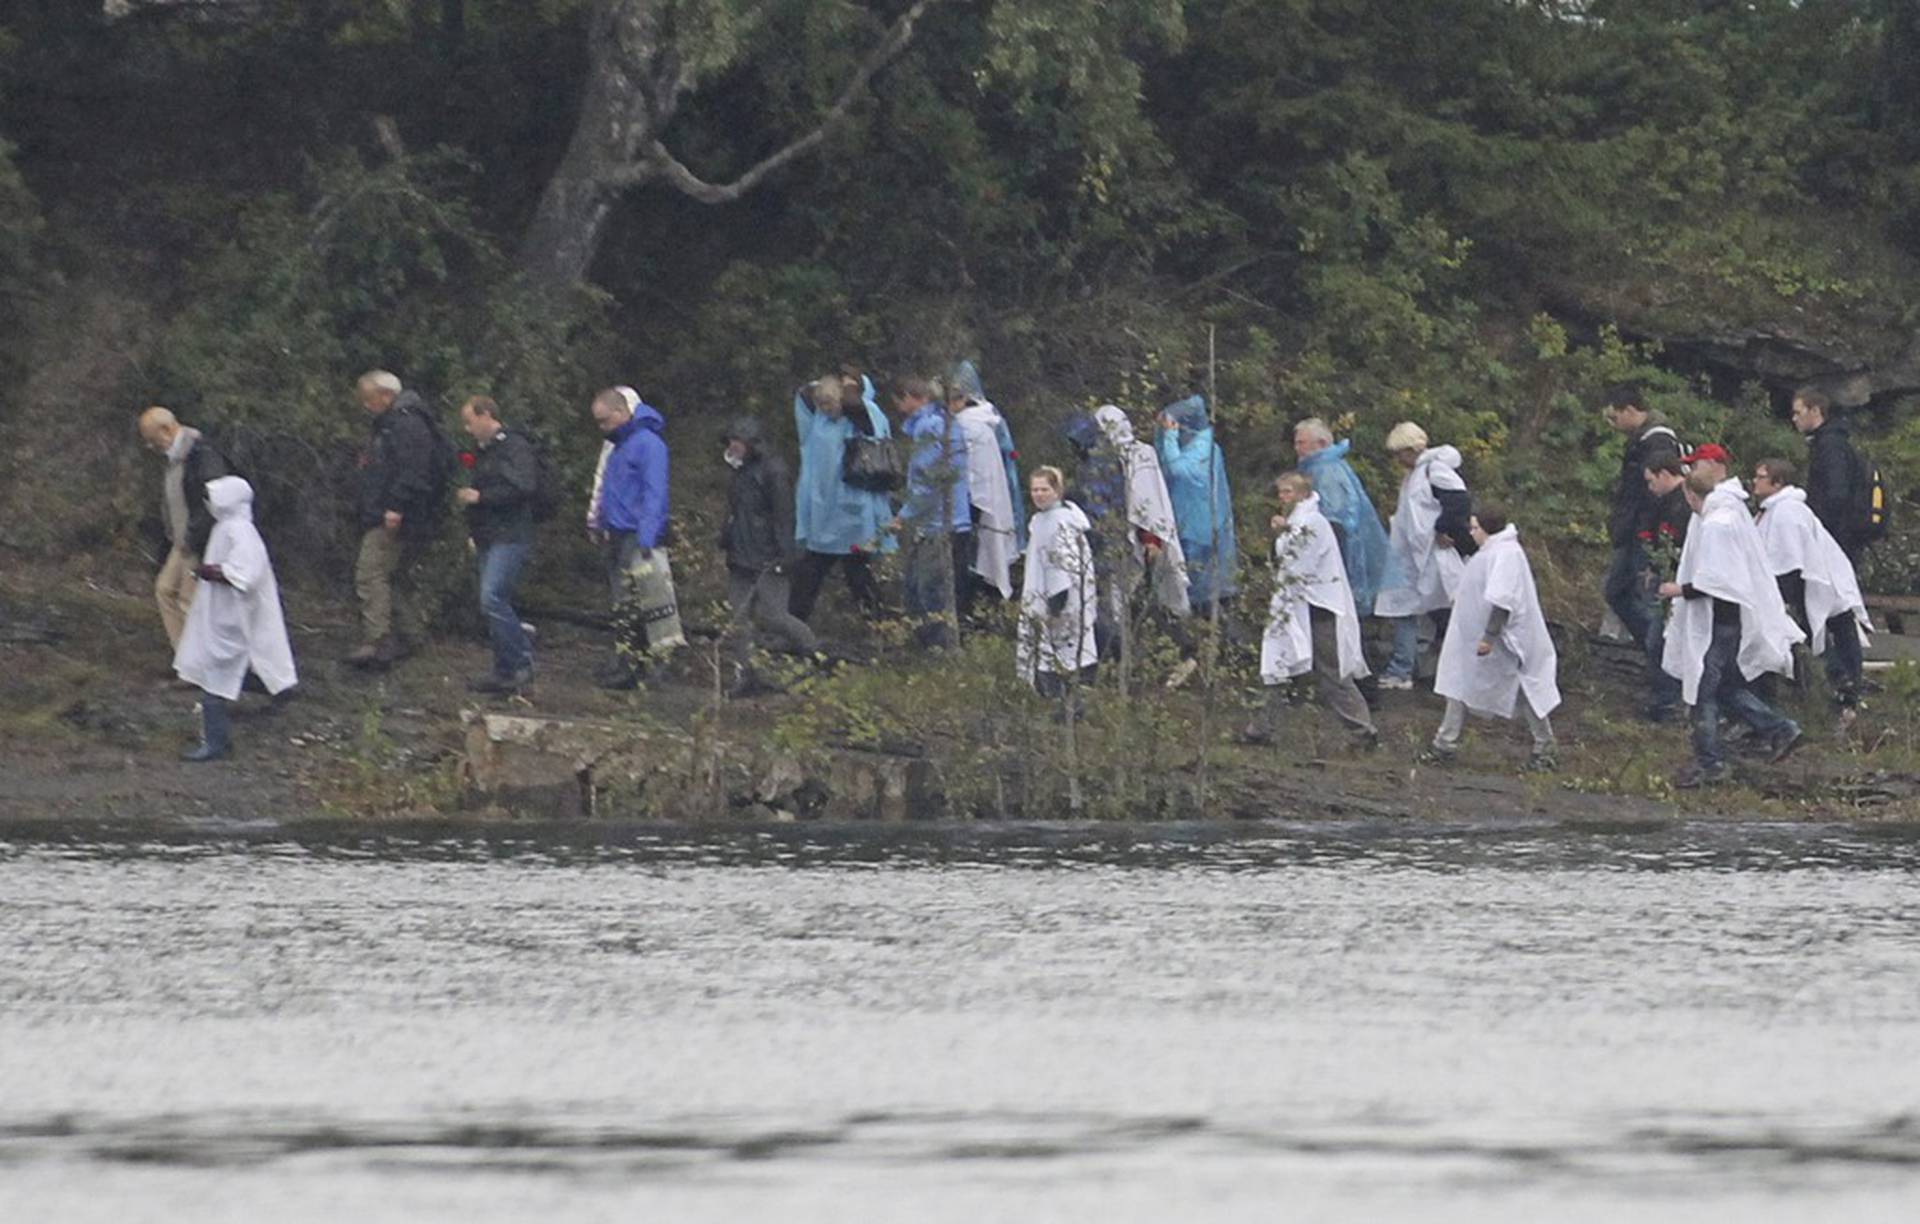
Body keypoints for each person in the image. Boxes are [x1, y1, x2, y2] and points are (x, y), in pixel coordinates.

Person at [1659, 466, 1805, 788]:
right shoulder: (1731, 514)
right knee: (1723, 688)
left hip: (1718, 622)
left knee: (1703, 693)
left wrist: (1679, 590)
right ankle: (1780, 728)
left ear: (1690, 494)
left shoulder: (1716, 525)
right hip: (1729, 620)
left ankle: (1710, 762)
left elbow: (1717, 581)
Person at [1421, 503, 1559, 772]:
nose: (1471, 533)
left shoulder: (1506, 554)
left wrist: (1489, 636)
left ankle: (1545, 747)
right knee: (1458, 684)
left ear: (1486, 529)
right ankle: (1444, 743)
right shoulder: (1493, 551)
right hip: (1471, 639)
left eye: (1474, 528)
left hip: (1503, 641)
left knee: (1524, 689)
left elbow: (1502, 599)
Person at [1247, 471, 1377, 751]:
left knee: (1331, 672)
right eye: (1281, 493)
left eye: (1289, 492)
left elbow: (1297, 564)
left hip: (1317, 607)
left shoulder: (1313, 523)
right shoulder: (1297, 523)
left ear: (1303, 494)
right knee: (1279, 665)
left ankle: (1362, 729)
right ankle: (1261, 728)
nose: (1283, 498)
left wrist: (1284, 535)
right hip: (1299, 605)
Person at [172, 476, 297, 761]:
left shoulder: (241, 531)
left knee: (217, 676)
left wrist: (215, 572)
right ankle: (274, 688)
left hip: (234, 615)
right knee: (222, 671)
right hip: (222, 611)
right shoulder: (225, 528)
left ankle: (217, 742)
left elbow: (246, 573)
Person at [1752, 456, 1871, 718]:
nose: (1754, 482)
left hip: (1817, 583)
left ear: (1778, 481)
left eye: (1760, 476)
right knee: (1824, 637)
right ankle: (1840, 691)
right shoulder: (1773, 510)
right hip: (1811, 585)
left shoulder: (1787, 512)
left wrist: (1782, 596)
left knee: (1823, 636)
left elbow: (1791, 559)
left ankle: (1846, 691)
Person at [589, 384, 685, 687]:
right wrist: (601, 522)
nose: (601, 428)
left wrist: (647, 537)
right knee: (623, 604)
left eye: (605, 420)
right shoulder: (620, 445)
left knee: (652, 601)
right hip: (616, 533)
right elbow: (611, 489)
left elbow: (654, 494)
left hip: (637, 535)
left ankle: (659, 665)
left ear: (620, 413)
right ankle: (628, 662)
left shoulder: (648, 444)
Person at [348, 370, 444, 670]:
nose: (366, 406)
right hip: (391, 511)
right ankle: (410, 635)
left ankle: (378, 640)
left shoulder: (406, 423)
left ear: (386, 395)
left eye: (369, 399)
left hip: (394, 514)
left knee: (370, 572)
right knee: (392, 576)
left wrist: (395, 506)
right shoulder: (394, 423)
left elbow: (413, 470)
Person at [719, 416, 819, 696]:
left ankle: (815, 656)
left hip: (768, 556)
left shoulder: (774, 472)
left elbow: (784, 517)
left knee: (775, 616)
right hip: (740, 554)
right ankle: (745, 675)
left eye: (738, 442)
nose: (733, 447)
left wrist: (785, 556)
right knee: (738, 618)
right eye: (731, 442)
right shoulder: (738, 471)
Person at [789, 371, 893, 621]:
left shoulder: (864, 415)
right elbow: (804, 393)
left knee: (854, 570)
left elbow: (870, 425)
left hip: (853, 512)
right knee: (812, 570)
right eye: (821, 405)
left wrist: (849, 389)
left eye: (830, 404)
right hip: (825, 511)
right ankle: (794, 624)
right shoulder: (817, 421)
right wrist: (826, 386)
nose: (825, 410)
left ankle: (878, 624)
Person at [1374, 422, 1469, 689]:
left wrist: (1442, 528)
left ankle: (1411, 668)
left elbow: (1459, 501)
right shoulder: (1416, 474)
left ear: (1411, 449)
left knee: (1439, 609)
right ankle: (1407, 667)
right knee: (1415, 609)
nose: (1398, 459)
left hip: (1431, 555)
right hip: (1413, 556)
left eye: (1400, 453)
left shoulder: (1434, 470)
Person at [453, 396, 538, 694]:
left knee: (492, 598)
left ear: (486, 415)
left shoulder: (514, 446)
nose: (467, 429)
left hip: (510, 534)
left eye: (470, 421)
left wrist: (481, 497)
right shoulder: (482, 452)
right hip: (488, 535)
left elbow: (524, 486)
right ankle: (504, 668)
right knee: (489, 602)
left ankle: (521, 661)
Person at [137, 406, 232, 654]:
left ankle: (199, 664)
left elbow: (213, 502)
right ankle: (184, 658)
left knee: (188, 602)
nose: (150, 447)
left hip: (197, 542)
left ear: (166, 430)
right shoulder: (174, 458)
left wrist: (193, 538)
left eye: (152, 440)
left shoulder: (201, 455)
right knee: (165, 590)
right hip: (181, 542)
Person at [1601, 383, 1684, 660]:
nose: (1613, 424)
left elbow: (1652, 492)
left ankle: (1660, 652)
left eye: (1615, 417)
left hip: (1643, 531)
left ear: (1630, 410)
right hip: (1632, 527)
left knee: (1643, 595)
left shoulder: (1657, 442)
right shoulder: (1640, 439)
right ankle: (1652, 648)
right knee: (1616, 591)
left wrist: (1646, 530)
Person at [892, 377, 973, 648]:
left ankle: (938, 650)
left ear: (914, 398)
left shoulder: (929, 428)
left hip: (939, 524)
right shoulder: (943, 423)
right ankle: (929, 646)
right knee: (924, 588)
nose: (900, 407)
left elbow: (928, 482)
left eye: (901, 400)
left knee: (928, 592)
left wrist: (905, 514)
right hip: (949, 521)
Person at [1293, 417, 1391, 617]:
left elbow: (1336, 517)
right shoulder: (1329, 466)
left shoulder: (1325, 470)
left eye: (1301, 443)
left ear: (1321, 444)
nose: (1297, 448)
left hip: (1333, 555)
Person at [1017, 466, 1098, 708]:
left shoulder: (1062, 523)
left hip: (1060, 606)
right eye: (1034, 490)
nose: (1039, 494)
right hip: (1044, 600)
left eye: (1044, 489)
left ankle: (1068, 710)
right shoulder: (1041, 521)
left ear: (1057, 490)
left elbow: (1061, 569)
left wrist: (1055, 607)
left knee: (1061, 658)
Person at [1156, 394, 1238, 615]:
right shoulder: (1192, 447)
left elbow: (1179, 471)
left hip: (1201, 533)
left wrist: (1170, 437)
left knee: (1206, 598)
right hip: (1188, 526)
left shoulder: (1205, 449)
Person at [950, 381, 1019, 614]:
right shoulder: (984, 423)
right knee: (986, 554)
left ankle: (971, 610)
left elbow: (970, 473)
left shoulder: (967, 426)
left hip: (971, 504)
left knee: (970, 558)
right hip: (984, 500)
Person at [1635, 455, 1691, 720]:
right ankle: (1667, 698)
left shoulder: (1682, 505)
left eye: (1651, 481)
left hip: (1677, 583)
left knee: (1659, 640)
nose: (1649, 488)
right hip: (1668, 578)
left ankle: (1669, 701)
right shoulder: (1668, 502)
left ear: (1664, 475)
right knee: (1657, 638)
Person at [1792, 388, 1873, 565]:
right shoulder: (1826, 442)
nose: (1794, 418)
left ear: (1815, 411)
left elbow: (1837, 492)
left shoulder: (1831, 446)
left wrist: (1820, 527)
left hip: (1837, 534)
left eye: (1799, 412)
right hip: (1838, 531)